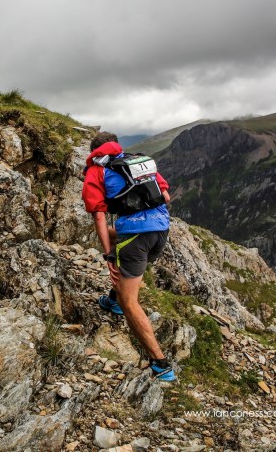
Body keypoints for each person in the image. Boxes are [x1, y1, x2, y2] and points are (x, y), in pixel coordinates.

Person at [81, 131, 176, 381]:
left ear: (94, 151)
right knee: (121, 243)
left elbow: (98, 216)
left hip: (136, 238)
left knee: (130, 301)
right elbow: (165, 196)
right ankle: (112, 300)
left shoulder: (96, 171)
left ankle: (161, 364)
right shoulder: (137, 161)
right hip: (161, 231)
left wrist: (108, 255)